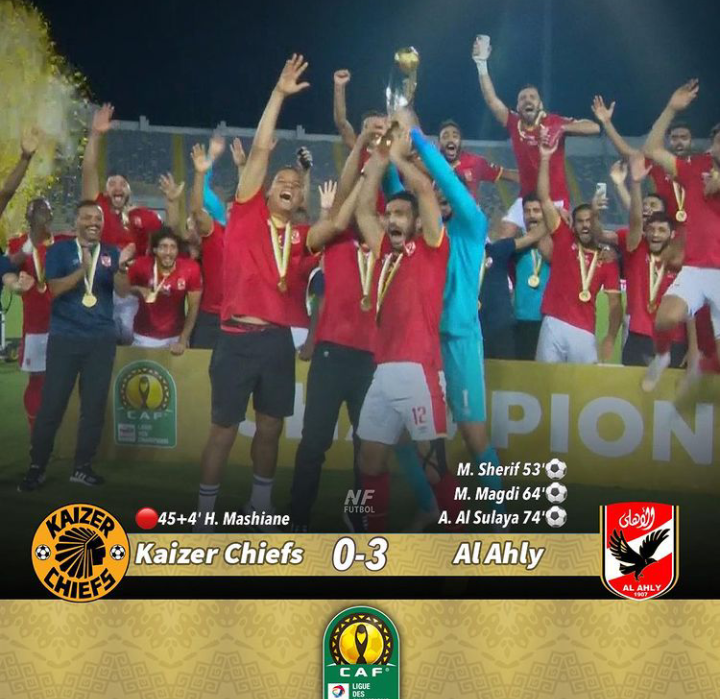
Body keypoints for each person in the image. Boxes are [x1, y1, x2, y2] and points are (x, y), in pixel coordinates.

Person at [194, 55, 318, 531]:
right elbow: (262, 148)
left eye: (294, 185)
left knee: (270, 427)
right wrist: (279, 95)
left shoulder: (300, 237)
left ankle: (260, 508)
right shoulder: (246, 212)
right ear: (263, 191)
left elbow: (329, 226)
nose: (287, 185)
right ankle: (204, 515)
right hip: (234, 338)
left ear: (299, 199)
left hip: (277, 342)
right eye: (280, 182)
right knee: (223, 430)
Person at [354, 129, 449, 533]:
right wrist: (377, 160)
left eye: (400, 215)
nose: (392, 220)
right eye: (389, 214)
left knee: (434, 468)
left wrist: (397, 156)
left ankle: (461, 544)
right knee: (370, 461)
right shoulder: (382, 253)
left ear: (416, 222)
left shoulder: (431, 248)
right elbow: (363, 212)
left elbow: (424, 190)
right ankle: (374, 541)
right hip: (383, 371)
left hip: (419, 370)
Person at [289, 127, 373, 532]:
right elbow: (342, 198)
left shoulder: (385, 247)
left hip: (371, 358)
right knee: (314, 443)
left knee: (367, 446)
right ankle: (298, 517)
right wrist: (363, 153)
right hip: (330, 353)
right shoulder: (335, 241)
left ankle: (358, 514)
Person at [17, 200, 133, 491]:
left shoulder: (111, 252)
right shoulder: (59, 250)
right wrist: (83, 270)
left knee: (93, 407)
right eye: (87, 217)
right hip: (65, 338)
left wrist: (121, 268)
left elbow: (122, 291)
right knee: (52, 405)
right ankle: (37, 467)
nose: (93, 222)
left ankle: (82, 467)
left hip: (100, 340)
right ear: (76, 221)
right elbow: (54, 289)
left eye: (98, 218)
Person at [472, 34, 600, 237]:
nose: (527, 100)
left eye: (532, 97)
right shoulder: (514, 123)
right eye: (523, 98)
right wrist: (481, 64)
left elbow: (594, 128)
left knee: (552, 245)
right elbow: (491, 100)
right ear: (517, 107)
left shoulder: (553, 121)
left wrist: (563, 129)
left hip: (555, 200)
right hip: (526, 199)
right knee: (504, 237)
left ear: (540, 104)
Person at [642, 81, 720, 391]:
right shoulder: (694, 168)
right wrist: (671, 109)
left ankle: (699, 379)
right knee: (665, 319)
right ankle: (662, 356)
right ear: (711, 147)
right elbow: (651, 150)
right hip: (696, 269)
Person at [536, 130, 622, 364]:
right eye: (580, 221)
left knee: (583, 384)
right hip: (553, 323)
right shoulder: (564, 238)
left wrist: (610, 337)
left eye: (590, 221)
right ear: (572, 225)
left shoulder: (607, 259)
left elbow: (615, 304)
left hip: (584, 332)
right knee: (546, 380)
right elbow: (544, 198)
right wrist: (545, 158)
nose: (585, 225)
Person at [81, 103, 163, 343]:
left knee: (131, 348)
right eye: (112, 184)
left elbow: (165, 245)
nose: (117, 187)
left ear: (129, 190)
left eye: (122, 184)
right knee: (100, 346)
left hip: (130, 296)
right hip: (101, 290)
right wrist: (95, 134)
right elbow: (88, 170)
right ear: (105, 191)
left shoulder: (145, 217)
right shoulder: (99, 208)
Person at [4, 199, 73, 430]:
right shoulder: (17, 244)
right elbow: (10, 271)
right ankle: (37, 436)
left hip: (67, 324)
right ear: (29, 218)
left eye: (46, 212)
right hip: (36, 327)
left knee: (66, 381)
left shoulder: (64, 242)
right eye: (37, 213)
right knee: (38, 382)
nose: (42, 217)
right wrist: (16, 285)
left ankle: (63, 433)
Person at [617, 153, 687, 367]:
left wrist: (693, 348)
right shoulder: (637, 247)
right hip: (639, 334)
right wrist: (635, 184)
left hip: (674, 340)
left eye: (661, 230)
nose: (656, 234)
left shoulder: (682, 257)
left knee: (668, 390)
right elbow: (636, 219)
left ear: (672, 233)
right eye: (652, 230)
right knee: (631, 386)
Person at [592, 96, 695, 221]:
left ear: (692, 141)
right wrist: (607, 123)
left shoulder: (700, 167)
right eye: (674, 138)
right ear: (668, 140)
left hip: (696, 226)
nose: (679, 142)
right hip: (665, 227)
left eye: (684, 138)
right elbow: (628, 153)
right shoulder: (658, 165)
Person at [117, 227, 202, 353]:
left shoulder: (190, 269)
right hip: (144, 335)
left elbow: (193, 307)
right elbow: (122, 291)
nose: (168, 252)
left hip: (176, 336)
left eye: (173, 247)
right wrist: (138, 289)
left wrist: (183, 340)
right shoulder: (141, 265)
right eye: (163, 247)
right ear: (155, 250)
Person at [512, 194, 554, 359]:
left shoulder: (556, 244)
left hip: (548, 320)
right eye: (527, 211)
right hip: (520, 319)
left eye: (536, 211)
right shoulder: (517, 246)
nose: (531, 215)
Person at [437, 119, 518, 202]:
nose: (450, 139)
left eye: (455, 136)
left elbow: (507, 174)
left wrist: (527, 178)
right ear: (439, 143)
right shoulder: (431, 165)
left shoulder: (476, 162)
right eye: (445, 137)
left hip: (469, 210)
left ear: (460, 142)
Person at [332, 69, 388, 151]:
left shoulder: (397, 152)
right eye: (375, 127)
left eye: (380, 127)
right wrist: (339, 87)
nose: (377, 131)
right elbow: (342, 124)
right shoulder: (360, 151)